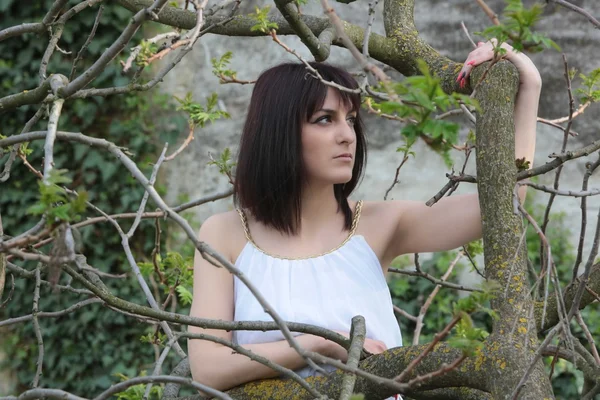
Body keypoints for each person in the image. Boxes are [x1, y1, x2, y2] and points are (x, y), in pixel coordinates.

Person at [187, 40, 542, 395]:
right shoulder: (226, 234)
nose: (347, 136)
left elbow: (502, 202)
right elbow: (208, 367)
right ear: (279, 131)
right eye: (324, 119)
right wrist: (320, 343)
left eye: (351, 120)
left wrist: (529, 84)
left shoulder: (379, 225)